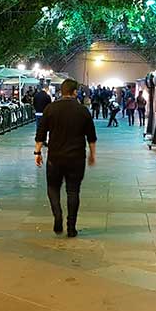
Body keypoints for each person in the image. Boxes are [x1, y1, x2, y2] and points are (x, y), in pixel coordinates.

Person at [35, 78, 97, 238]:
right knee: (73, 191)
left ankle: (57, 214)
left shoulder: (50, 109)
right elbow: (91, 136)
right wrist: (92, 154)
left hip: (55, 157)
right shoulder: (83, 111)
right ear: (75, 92)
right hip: (76, 158)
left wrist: (37, 152)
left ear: (61, 91)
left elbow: (41, 132)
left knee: (53, 188)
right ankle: (71, 227)